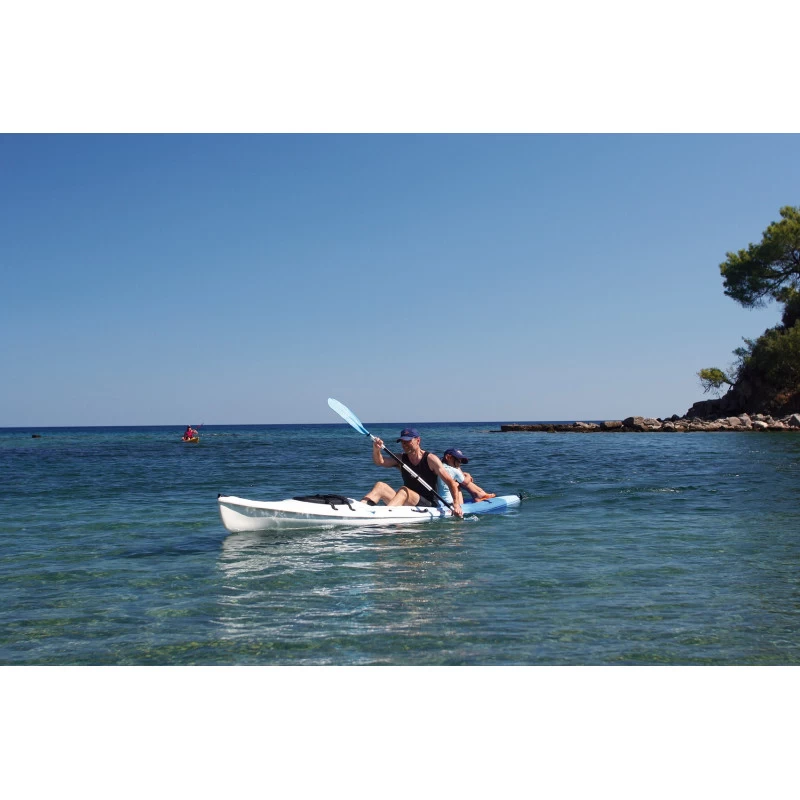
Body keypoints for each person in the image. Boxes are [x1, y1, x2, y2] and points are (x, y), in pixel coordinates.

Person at [361, 427, 463, 518]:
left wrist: (456, 504)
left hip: (428, 503)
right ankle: (360, 508)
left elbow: (451, 482)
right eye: (402, 442)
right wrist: (376, 450)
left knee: (404, 491)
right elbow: (380, 462)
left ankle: (384, 516)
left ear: (418, 440)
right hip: (407, 499)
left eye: (408, 441)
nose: (404, 445)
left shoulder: (430, 459)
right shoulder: (401, 458)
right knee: (380, 486)